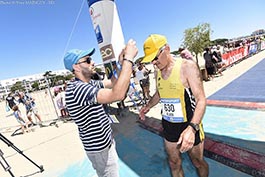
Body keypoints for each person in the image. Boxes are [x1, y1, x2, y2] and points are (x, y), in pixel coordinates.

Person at [63, 39, 138, 177]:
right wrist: (129, 59)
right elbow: (117, 94)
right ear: (76, 67)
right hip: (100, 150)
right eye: (87, 60)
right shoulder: (78, 89)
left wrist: (121, 63)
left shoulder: (88, 83)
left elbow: (112, 81)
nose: (93, 62)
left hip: (105, 142)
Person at [139, 34, 209, 177]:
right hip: (169, 125)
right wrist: (148, 106)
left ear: (167, 49)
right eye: (150, 60)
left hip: (189, 124)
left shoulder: (187, 66)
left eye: (155, 57)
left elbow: (201, 99)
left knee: (197, 162)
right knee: (173, 162)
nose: (153, 62)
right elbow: (159, 93)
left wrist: (192, 128)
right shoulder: (157, 71)